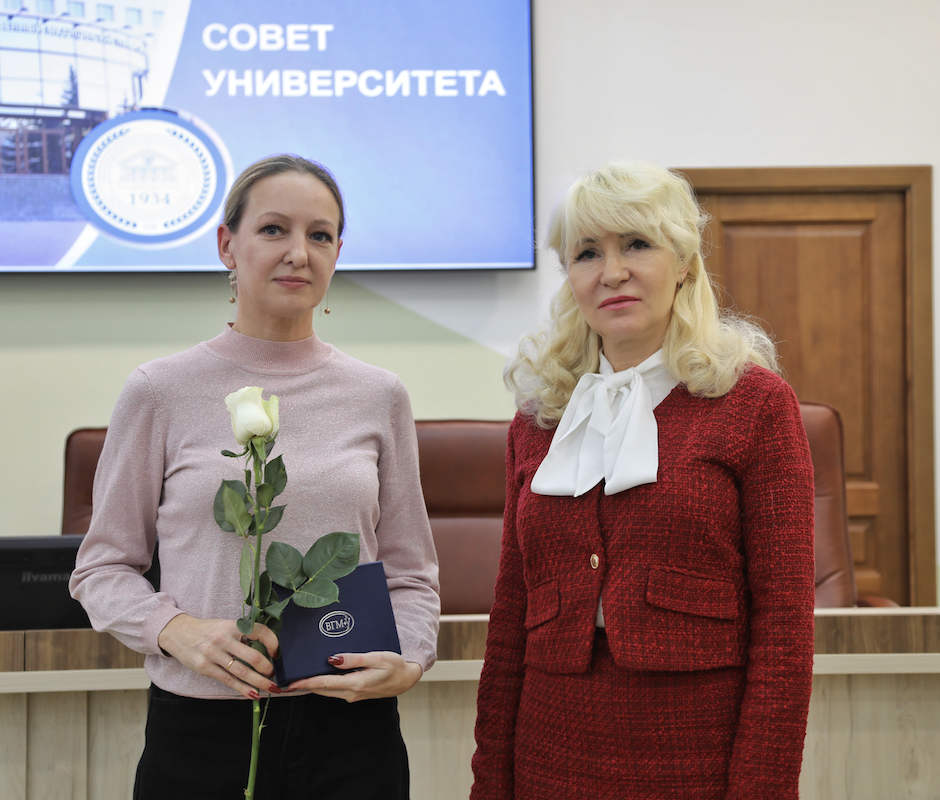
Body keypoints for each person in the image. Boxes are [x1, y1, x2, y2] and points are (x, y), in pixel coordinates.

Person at [70, 154, 440, 800]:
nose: (299, 252)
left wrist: (409, 657)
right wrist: (175, 631)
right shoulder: (159, 390)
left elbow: (411, 573)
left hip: (352, 731)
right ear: (227, 245)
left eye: (320, 235)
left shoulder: (379, 395)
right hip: (202, 730)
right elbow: (100, 569)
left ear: (337, 253)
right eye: (273, 229)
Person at [470, 161, 815, 799]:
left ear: (682, 262)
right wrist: (490, 781)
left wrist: (762, 786)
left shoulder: (755, 404)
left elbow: (784, 627)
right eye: (586, 253)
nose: (612, 272)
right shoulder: (540, 419)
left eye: (636, 244)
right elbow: (511, 615)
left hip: (697, 752)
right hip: (549, 748)